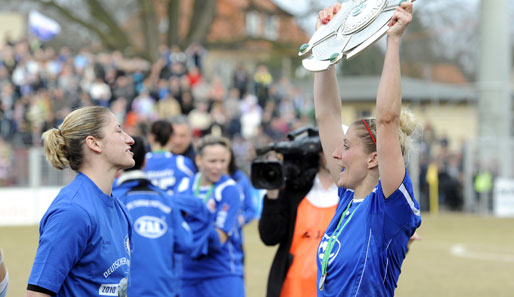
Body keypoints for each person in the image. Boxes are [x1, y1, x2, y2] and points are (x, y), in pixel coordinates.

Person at [313, 2, 421, 296]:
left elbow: (387, 120)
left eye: (346, 147)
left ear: (374, 158)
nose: (335, 154)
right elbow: (326, 114)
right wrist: (325, 46)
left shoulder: (389, 208)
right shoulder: (347, 197)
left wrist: (393, 40)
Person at [26, 106, 135, 297]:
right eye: (119, 131)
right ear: (94, 143)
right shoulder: (73, 211)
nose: (130, 139)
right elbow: (37, 294)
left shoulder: (120, 210)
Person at [113, 136, 193, 297]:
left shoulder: (111, 199)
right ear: (145, 163)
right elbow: (186, 242)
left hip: (121, 291)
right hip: (162, 290)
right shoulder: (166, 199)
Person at [259, 152, 339, 297]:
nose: (336, 153)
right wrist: (273, 192)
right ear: (319, 153)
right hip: (291, 289)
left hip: (335, 290)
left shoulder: (353, 196)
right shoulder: (295, 191)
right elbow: (270, 236)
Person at [175, 135, 244, 297]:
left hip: (222, 271)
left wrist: (194, 217)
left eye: (223, 161)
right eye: (212, 161)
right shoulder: (184, 185)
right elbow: (175, 227)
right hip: (187, 273)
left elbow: (218, 239)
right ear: (199, 160)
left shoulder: (230, 189)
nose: (218, 167)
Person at [145, 119, 196, 194]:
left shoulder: (197, 160)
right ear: (170, 137)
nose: (177, 141)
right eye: (175, 135)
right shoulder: (184, 164)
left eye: (183, 136)